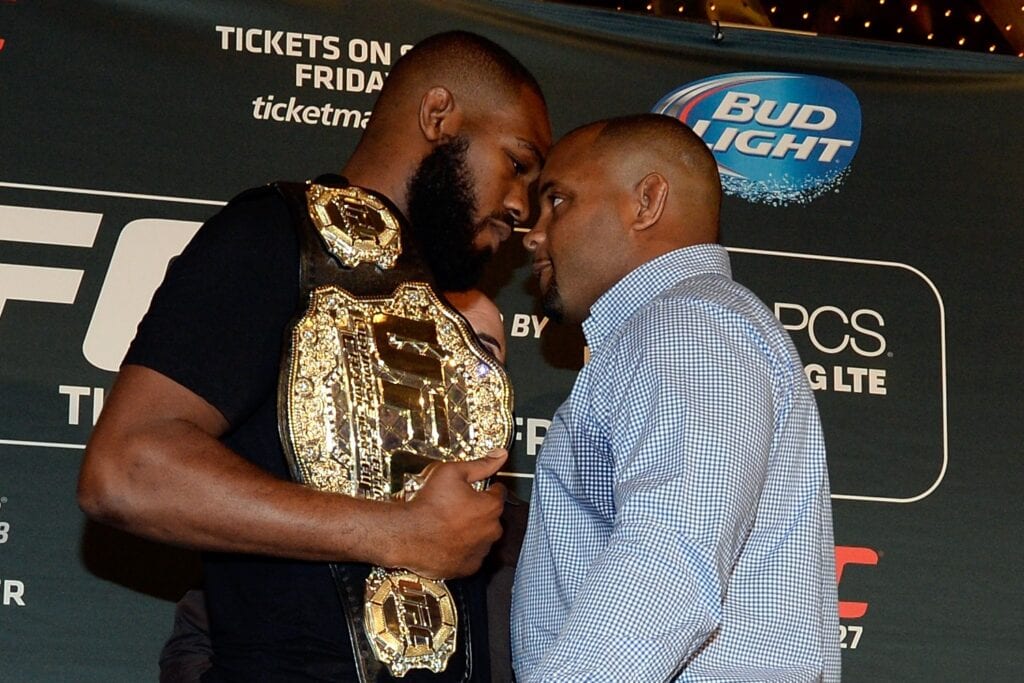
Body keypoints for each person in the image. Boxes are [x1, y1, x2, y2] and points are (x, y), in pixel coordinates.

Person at [78, 31, 551, 681]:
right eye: (517, 163)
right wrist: (397, 531)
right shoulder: (273, 237)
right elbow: (126, 468)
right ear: (438, 115)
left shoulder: (447, 313)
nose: (521, 205)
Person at [511, 114, 840, 681]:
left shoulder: (686, 323)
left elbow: (669, 557)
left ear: (647, 201)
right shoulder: (672, 327)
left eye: (558, 200)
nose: (535, 233)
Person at [158, 290, 525, 683]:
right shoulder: (303, 508)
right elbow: (197, 646)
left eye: (483, 351)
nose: (459, 365)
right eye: (440, 341)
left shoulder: (532, 535)